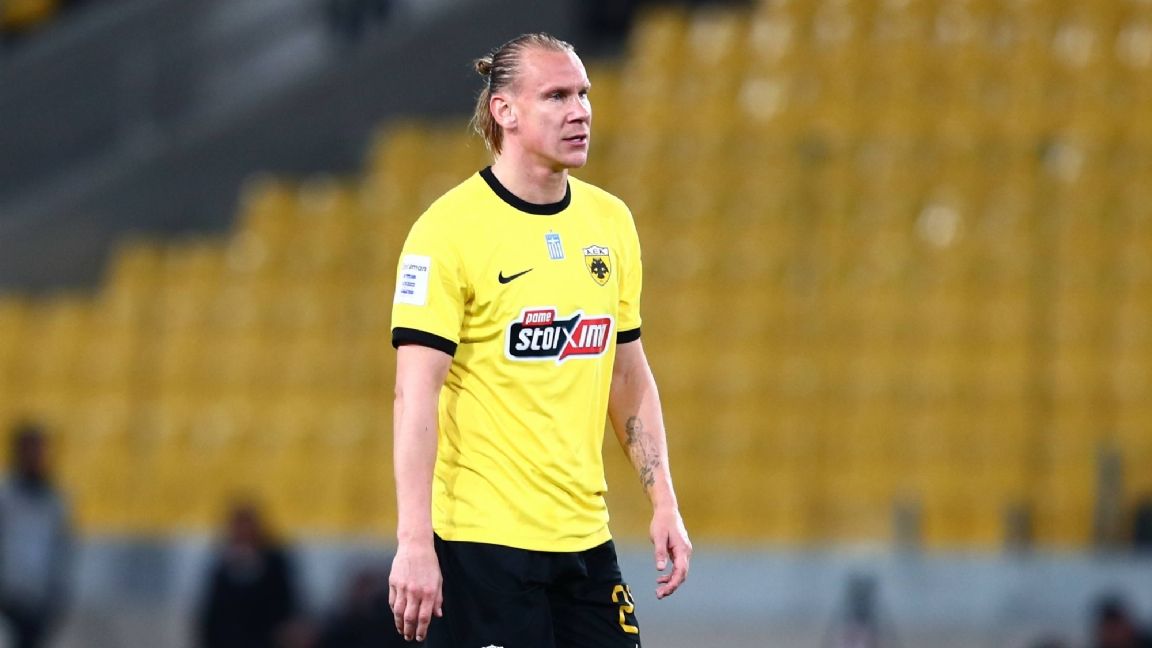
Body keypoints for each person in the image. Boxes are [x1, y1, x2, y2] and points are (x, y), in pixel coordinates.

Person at [387, 32, 692, 647]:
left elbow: (626, 374)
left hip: (585, 541)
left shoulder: (610, 222)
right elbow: (414, 396)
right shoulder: (447, 232)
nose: (580, 111)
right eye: (556, 96)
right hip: (483, 547)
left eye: (583, 94)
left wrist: (664, 500)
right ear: (505, 110)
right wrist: (414, 541)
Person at [0, 421, 72, 648]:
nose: (36, 457)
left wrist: (56, 596)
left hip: (39, 600)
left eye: (39, 450)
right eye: (30, 450)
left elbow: (61, 550)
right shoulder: (5, 496)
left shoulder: (55, 500)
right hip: (7, 597)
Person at [195, 501, 303, 648]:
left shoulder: (274, 562)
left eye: (247, 526)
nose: (243, 532)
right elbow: (213, 612)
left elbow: (285, 602)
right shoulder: (222, 565)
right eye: (239, 526)